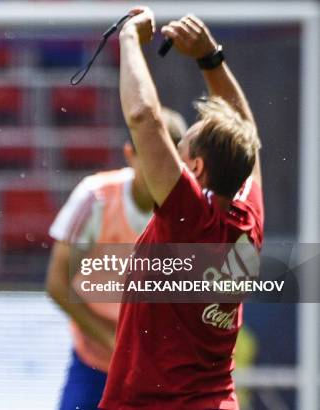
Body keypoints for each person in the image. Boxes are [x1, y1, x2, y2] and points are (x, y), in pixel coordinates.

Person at [98, 7, 263, 410]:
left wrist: (128, 41)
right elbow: (248, 139)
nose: (172, 156)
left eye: (181, 148)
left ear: (197, 168)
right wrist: (211, 59)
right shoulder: (248, 218)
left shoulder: (188, 219)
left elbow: (143, 116)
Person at [46, 108, 186, 410]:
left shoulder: (189, 212)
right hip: (94, 362)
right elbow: (57, 284)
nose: (157, 169)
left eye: (166, 160)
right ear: (129, 153)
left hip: (158, 367)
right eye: (149, 156)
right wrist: (113, 341)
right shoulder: (95, 197)